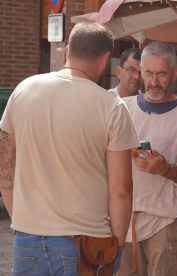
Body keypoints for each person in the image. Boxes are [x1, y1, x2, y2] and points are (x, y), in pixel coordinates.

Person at [0, 22, 140, 276]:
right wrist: (117, 246)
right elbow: (121, 190)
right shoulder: (112, 106)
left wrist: (22, 222)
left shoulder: (22, 91)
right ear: (106, 59)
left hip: (27, 238)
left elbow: (5, 169)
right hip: (85, 244)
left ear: (67, 51)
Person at [116, 41, 177, 276]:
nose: (154, 82)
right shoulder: (123, 108)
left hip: (167, 222)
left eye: (162, 74)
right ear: (140, 72)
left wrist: (166, 169)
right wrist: (117, 153)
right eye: (148, 73)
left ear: (175, 73)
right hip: (125, 219)